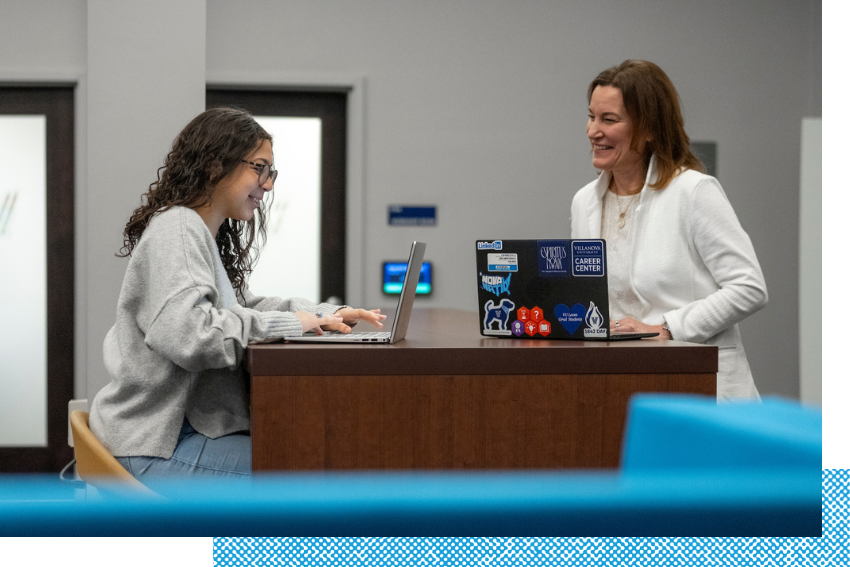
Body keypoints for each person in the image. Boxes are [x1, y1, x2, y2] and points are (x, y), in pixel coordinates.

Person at [89, 107, 386, 481]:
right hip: (158, 443)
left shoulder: (196, 232)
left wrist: (328, 313)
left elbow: (244, 307)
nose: (269, 184)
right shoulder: (178, 230)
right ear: (214, 166)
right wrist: (295, 323)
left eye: (271, 172)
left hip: (178, 434)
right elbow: (192, 336)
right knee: (307, 472)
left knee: (310, 458)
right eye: (259, 168)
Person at [571, 60, 768, 401]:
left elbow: (749, 287)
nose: (593, 131)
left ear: (648, 129)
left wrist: (667, 328)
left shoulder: (693, 192)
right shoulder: (584, 201)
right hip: (620, 388)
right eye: (591, 116)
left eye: (609, 120)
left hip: (698, 384)